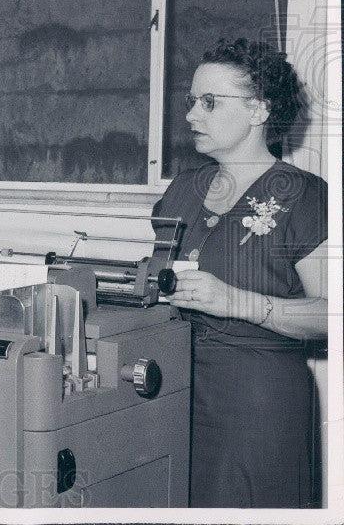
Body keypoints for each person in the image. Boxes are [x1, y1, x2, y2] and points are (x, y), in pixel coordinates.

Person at [153, 38, 327, 508]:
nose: (191, 115)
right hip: (172, 392)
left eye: (210, 102)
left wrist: (236, 302)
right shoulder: (183, 189)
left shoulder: (303, 196)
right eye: (193, 101)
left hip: (258, 407)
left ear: (258, 110)